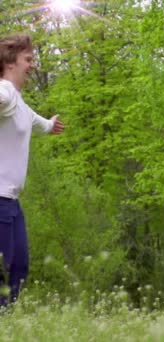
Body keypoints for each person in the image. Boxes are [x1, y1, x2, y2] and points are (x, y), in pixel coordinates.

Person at [0, 34, 64, 306]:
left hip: (12, 204)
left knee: (19, 268)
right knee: (3, 274)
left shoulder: (19, 102)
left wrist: (51, 125)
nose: (32, 65)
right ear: (10, 62)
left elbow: (36, 121)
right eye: (28, 59)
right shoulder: (5, 93)